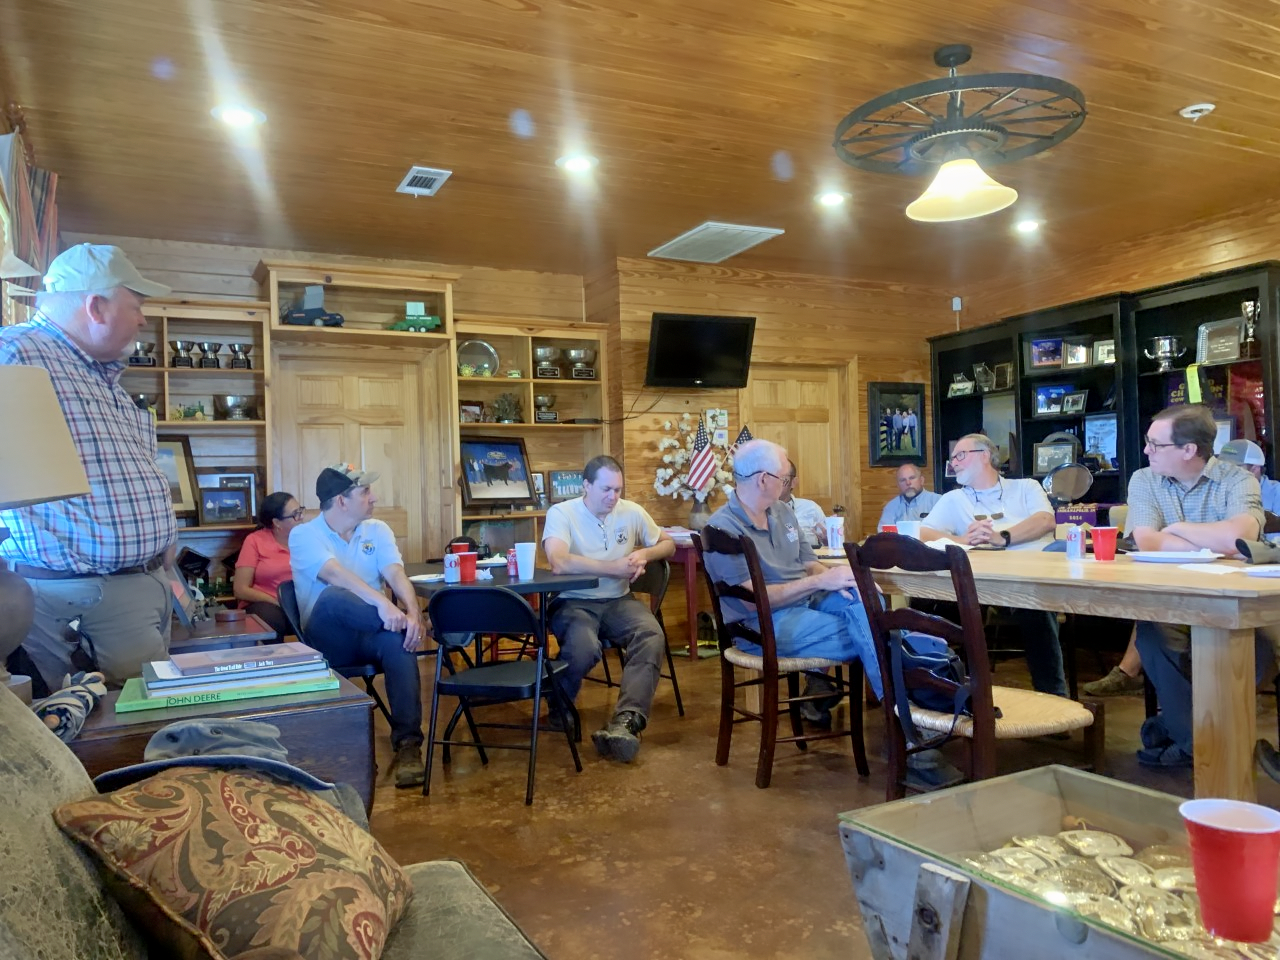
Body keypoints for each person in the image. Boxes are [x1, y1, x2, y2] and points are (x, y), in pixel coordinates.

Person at [0, 243, 176, 696]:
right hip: (90, 598)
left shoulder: (95, 374)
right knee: (132, 740)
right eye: (136, 307)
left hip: (137, 587)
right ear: (95, 306)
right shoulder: (16, 355)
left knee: (150, 731)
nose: (142, 319)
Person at [702, 439, 883, 723]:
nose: (788, 484)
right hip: (762, 624)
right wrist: (819, 582)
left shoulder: (783, 511)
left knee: (869, 602)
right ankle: (907, 717)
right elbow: (752, 604)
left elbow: (810, 563)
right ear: (764, 479)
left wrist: (846, 580)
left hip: (805, 606)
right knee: (877, 632)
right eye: (785, 478)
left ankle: (908, 710)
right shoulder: (722, 529)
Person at [1128, 405, 1266, 768]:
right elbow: (1146, 541)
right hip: (1174, 600)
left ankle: (1174, 729)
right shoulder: (1144, 479)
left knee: (1261, 646)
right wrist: (1212, 540)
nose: (1147, 451)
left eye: (1155, 444)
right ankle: (1198, 743)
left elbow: (1239, 537)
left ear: (1189, 450)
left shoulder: (1238, 480)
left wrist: (1176, 528)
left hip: (1240, 602)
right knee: (1152, 635)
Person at [289, 463, 428, 787]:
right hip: (327, 640)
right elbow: (336, 575)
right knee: (335, 596)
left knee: (398, 645)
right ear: (341, 500)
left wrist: (412, 612)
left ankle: (409, 747)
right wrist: (385, 606)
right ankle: (405, 626)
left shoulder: (377, 530)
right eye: (365, 492)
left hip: (374, 632)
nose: (374, 497)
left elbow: (394, 573)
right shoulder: (303, 534)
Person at [543, 455, 675, 763]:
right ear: (585, 486)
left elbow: (668, 544)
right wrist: (612, 569)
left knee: (651, 635)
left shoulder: (631, 512)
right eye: (606, 489)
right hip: (573, 600)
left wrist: (645, 553)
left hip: (618, 600)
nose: (613, 497)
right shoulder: (562, 513)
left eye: (618, 490)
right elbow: (559, 561)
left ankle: (626, 720)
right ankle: (558, 702)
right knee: (584, 648)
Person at [919, 432, 1067, 697]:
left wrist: (1002, 537)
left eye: (960, 455)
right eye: (952, 458)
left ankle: (1054, 697)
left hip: (1029, 577)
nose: (954, 463)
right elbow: (925, 533)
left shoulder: (1026, 487)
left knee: (1035, 603)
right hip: (981, 582)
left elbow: (1046, 521)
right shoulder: (954, 499)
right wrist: (961, 539)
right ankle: (945, 693)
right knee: (928, 601)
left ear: (985, 455)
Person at [233, 492, 305, 640]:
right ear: (277, 522)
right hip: (266, 604)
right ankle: (275, 660)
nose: (302, 517)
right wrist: (276, 601)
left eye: (300, 511)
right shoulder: (255, 541)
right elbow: (240, 589)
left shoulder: (307, 539)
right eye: (295, 514)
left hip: (300, 603)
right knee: (269, 619)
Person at [1218, 439, 1280, 515]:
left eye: (1233, 468)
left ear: (1255, 469)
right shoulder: (1218, 490)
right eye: (1222, 467)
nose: (1225, 473)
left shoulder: (1276, 492)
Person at [877, 463, 942, 530]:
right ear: (898, 485)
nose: (908, 483)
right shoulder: (891, 507)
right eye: (903, 480)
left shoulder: (938, 501)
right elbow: (884, 535)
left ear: (921, 480)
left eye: (912, 478)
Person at [780, 460, 826, 547]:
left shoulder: (811, 508)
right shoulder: (758, 510)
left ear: (793, 482)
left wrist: (828, 543)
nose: (775, 484)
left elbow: (828, 545)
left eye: (782, 479)